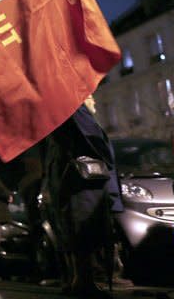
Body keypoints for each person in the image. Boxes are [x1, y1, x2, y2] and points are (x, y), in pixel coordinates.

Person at [43, 94, 121, 298]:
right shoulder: (73, 106)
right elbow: (95, 141)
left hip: (69, 176)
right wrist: (106, 157)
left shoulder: (56, 108)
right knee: (85, 229)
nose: (94, 101)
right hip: (85, 178)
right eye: (90, 97)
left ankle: (76, 280)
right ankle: (83, 282)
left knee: (73, 229)